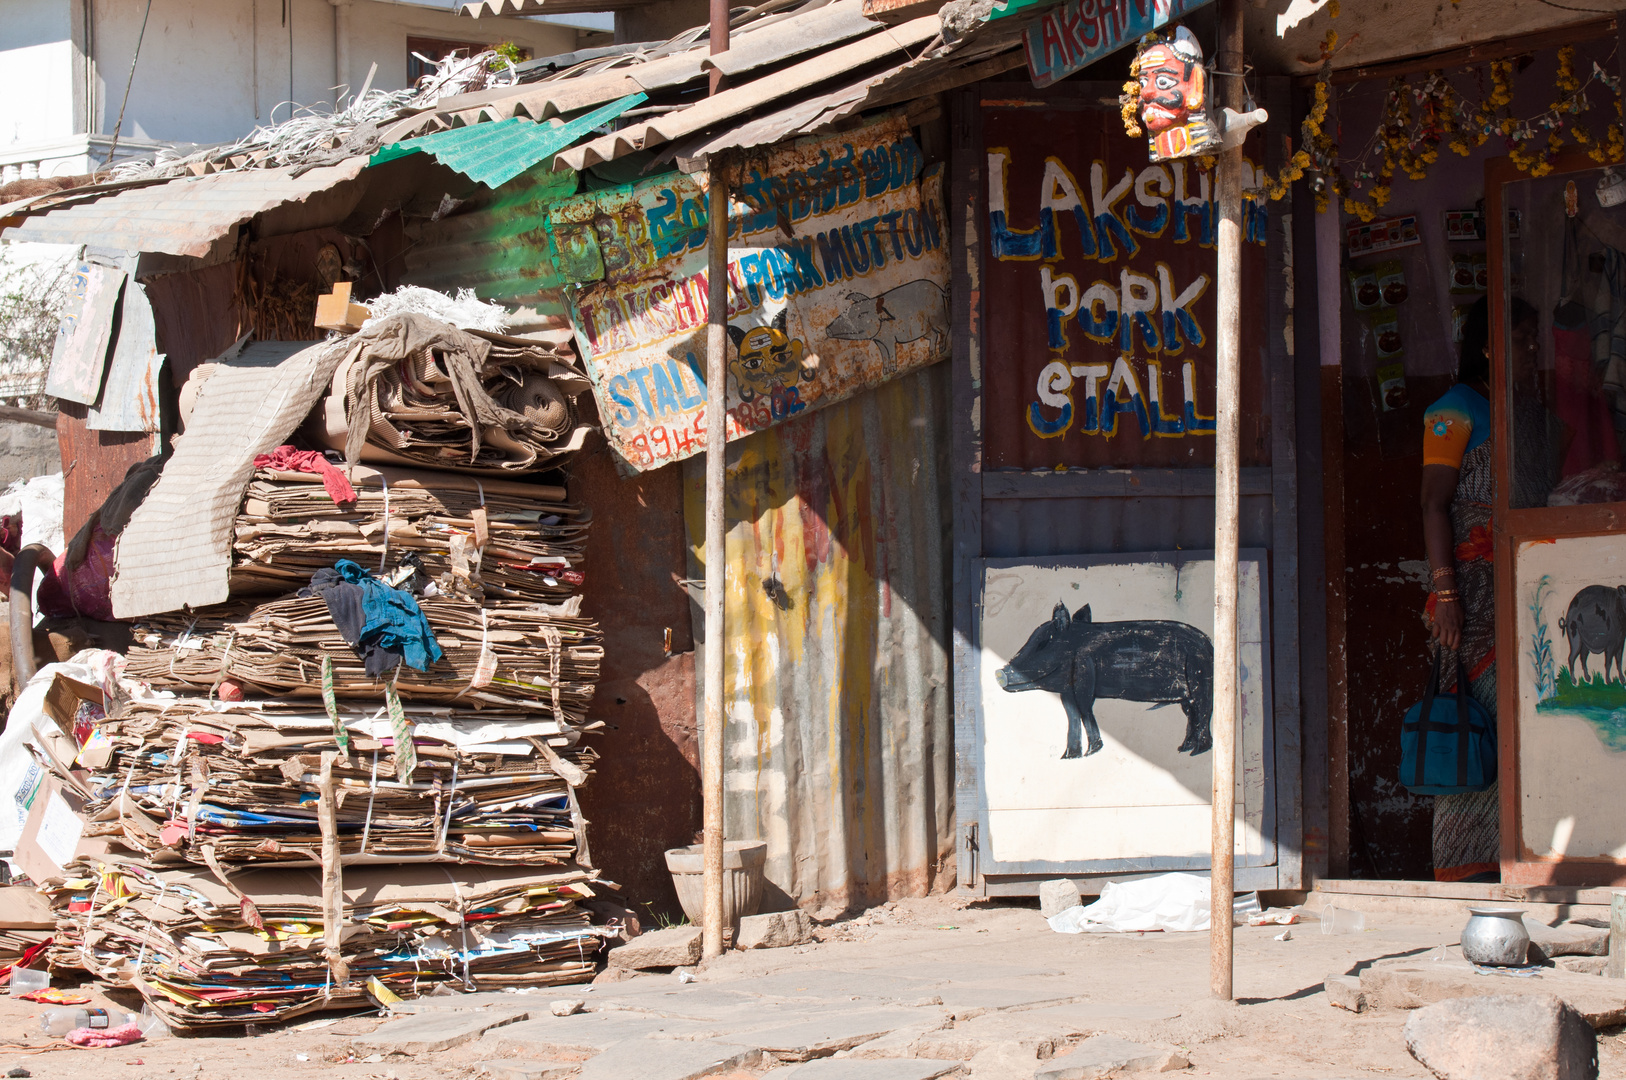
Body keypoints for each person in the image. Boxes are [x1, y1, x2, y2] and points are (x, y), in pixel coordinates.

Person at [1418, 295, 1538, 882]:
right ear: (1491, 345)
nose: (1532, 350)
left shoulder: (1515, 407)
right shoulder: (1452, 410)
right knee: (1467, 727)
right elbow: (1433, 503)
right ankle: (1466, 871)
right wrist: (1446, 596)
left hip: (1517, 589)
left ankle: (1516, 857)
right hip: (1466, 600)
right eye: (1522, 339)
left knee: (1516, 728)